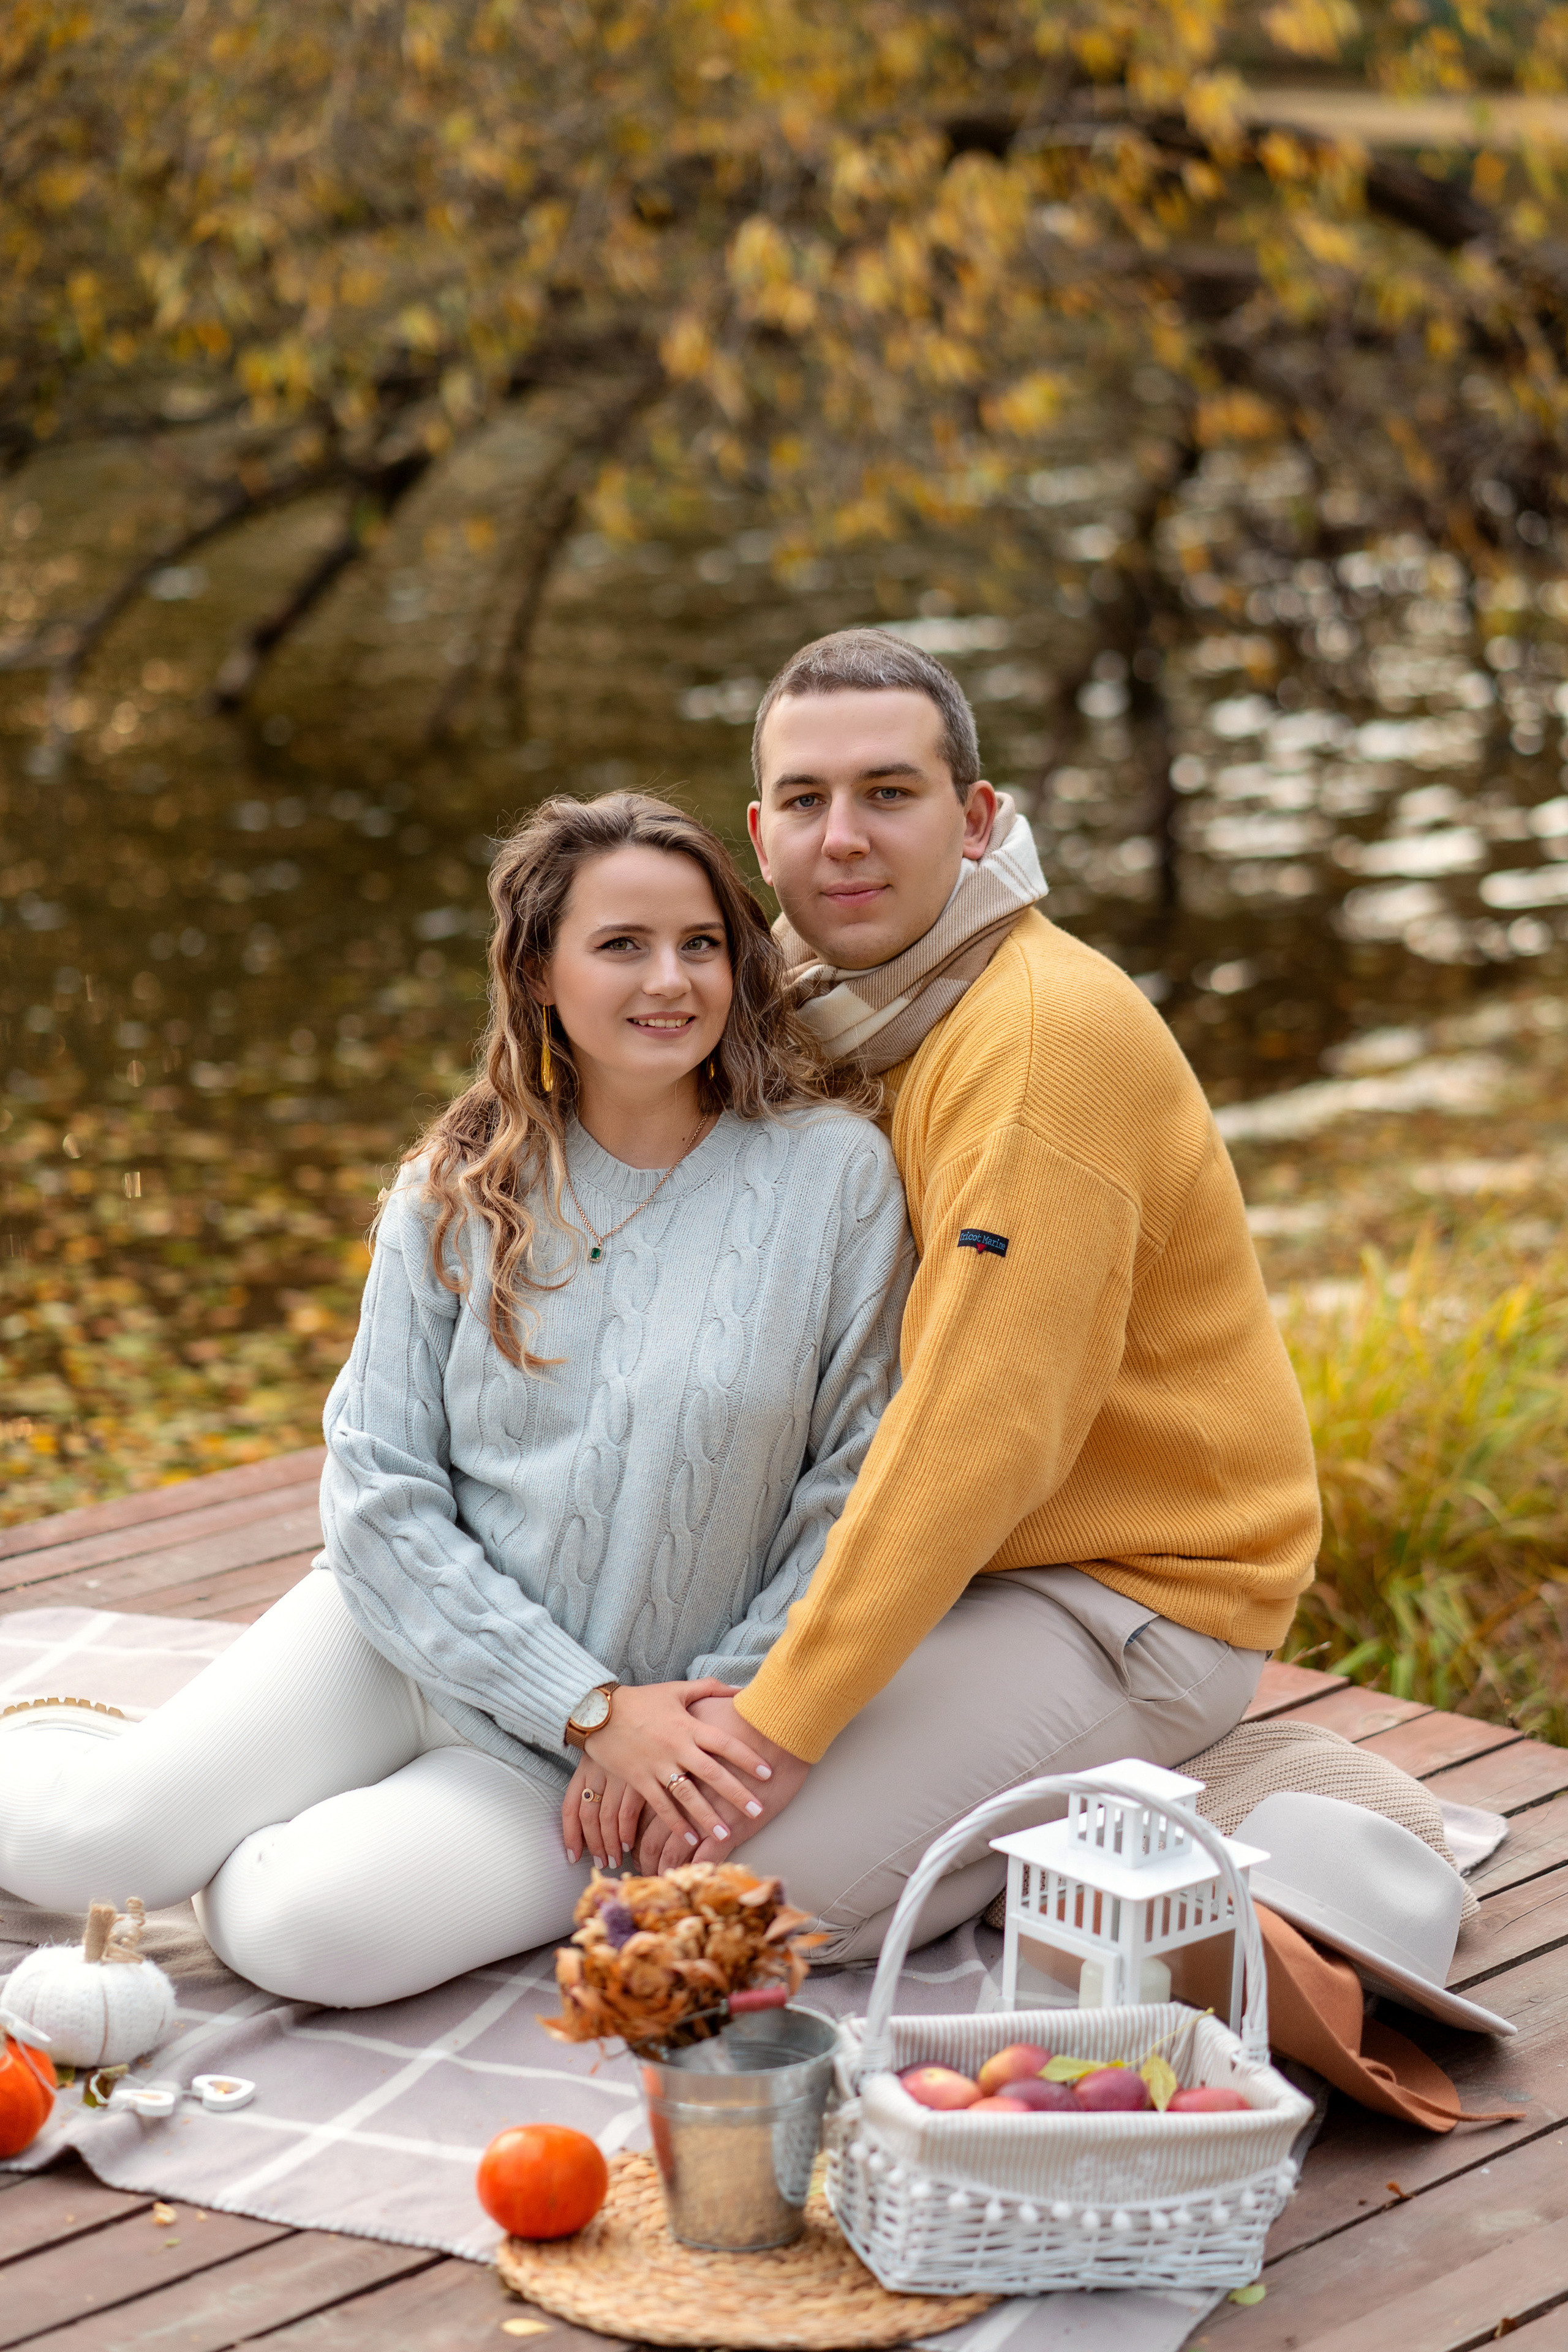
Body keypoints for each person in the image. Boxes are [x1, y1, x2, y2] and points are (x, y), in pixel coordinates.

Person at [0, 793, 911, 2007]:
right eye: (621, 945)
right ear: (538, 973)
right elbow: (376, 1485)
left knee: (303, 1936)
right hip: (397, 1642)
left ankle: (218, 1813)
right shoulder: (460, 1180)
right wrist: (583, 1704)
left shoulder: (833, 1177)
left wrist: (692, 1731)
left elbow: (853, 1491)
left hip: (592, 1758)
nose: (670, 981)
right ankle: (96, 1763)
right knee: (88, 1852)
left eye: (700, 944)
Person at [630, 628, 1322, 1964]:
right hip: (946, 1560)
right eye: (805, 800)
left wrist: (781, 1724)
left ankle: (1153, 1828)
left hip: (1122, 1594)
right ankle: (987, 1810)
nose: (843, 837)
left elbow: (978, 1435)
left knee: (720, 1907)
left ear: (976, 818)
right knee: (625, 1795)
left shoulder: (1040, 1043)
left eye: (889, 793)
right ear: (759, 835)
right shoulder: (806, 1008)